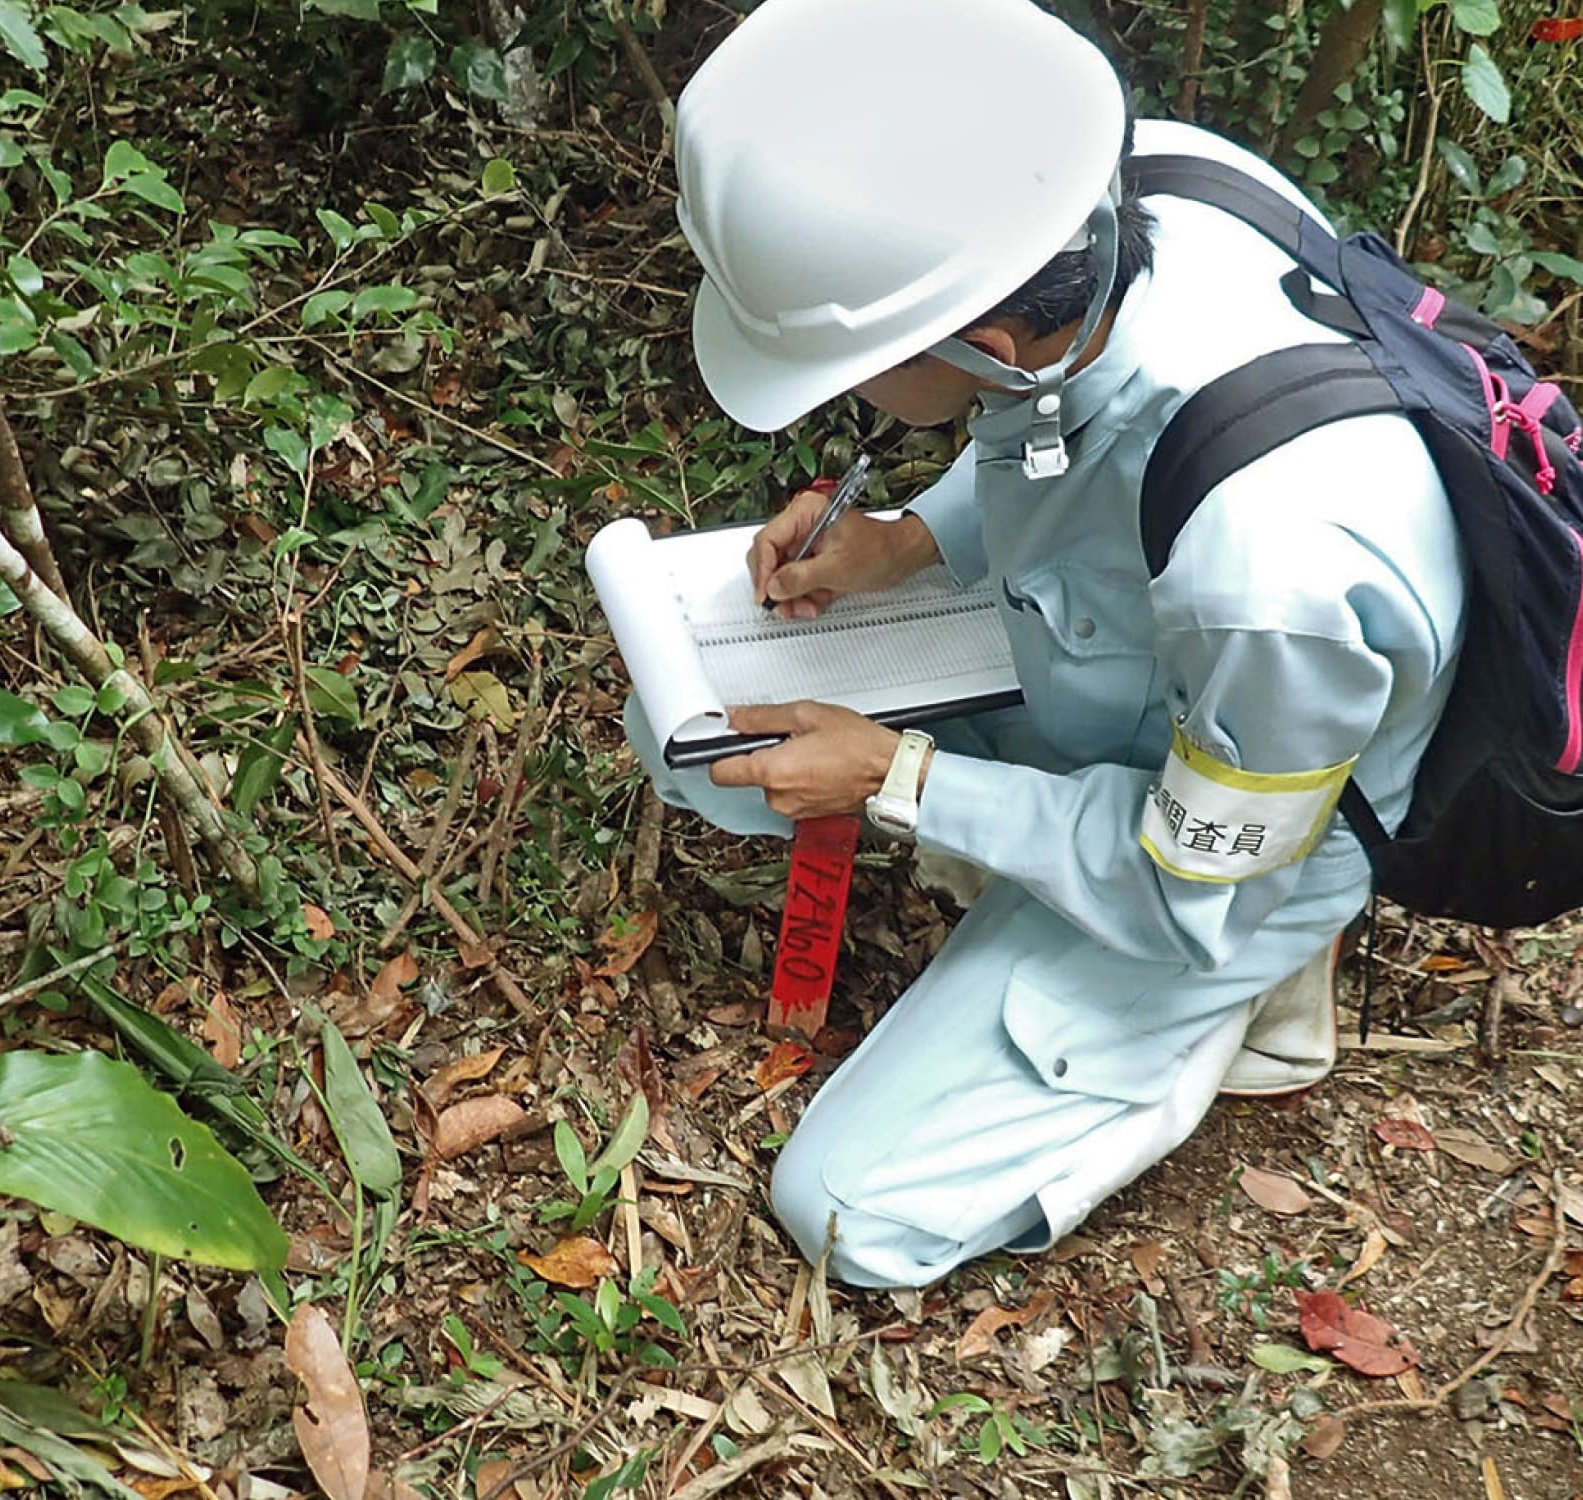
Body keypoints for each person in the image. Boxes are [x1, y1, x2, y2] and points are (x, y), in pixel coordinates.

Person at [627, 0, 1469, 1287]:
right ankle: (1032, 896)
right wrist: (907, 539)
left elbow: (1189, 881)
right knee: (694, 727)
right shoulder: (1121, 197)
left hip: (1240, 835)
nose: (852, 399)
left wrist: (900, 780)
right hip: (1146, 652)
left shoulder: (1275, 570)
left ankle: (1250, 1001)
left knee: (850, 1213)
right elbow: (1075, 433)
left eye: (856, 367)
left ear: (982, 339)